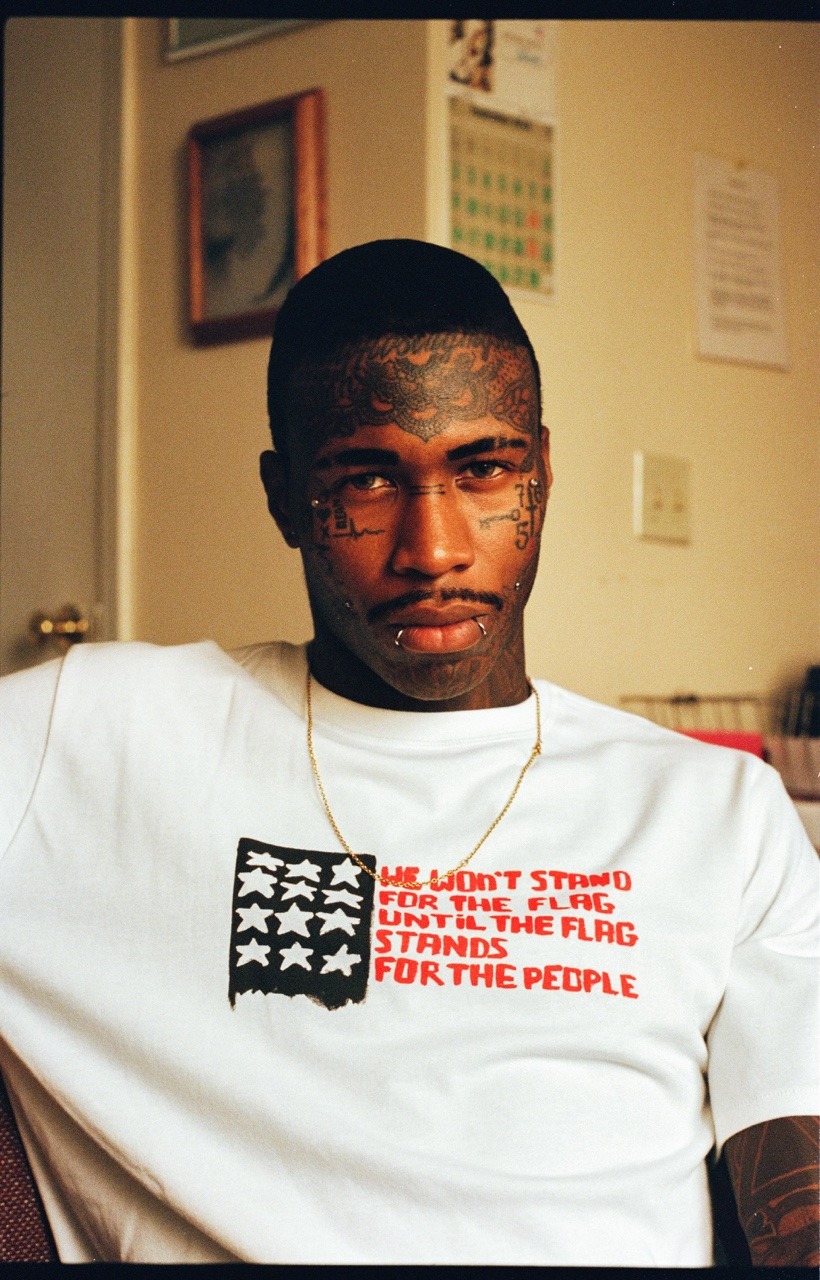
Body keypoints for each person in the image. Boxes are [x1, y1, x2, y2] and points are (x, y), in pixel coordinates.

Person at [0, 239, 816, 1266]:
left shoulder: (716, 810)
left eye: (484, 470)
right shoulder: (87, 739)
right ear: (284, 497)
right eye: (367, 479)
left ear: (542, 471)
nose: (433, 550)